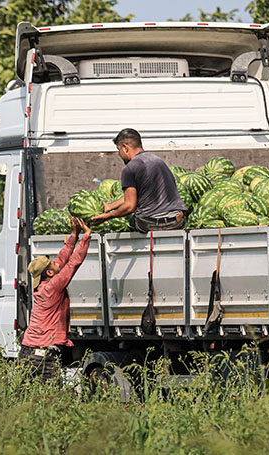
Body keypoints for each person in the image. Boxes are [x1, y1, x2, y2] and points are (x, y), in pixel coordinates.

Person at [20, 217, 91, 380]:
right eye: (51, 263)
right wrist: (86, 236)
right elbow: (73, 264)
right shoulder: (53, 287)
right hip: (42, 354)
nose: (55, 262)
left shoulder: (44, 284)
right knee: (51, 397)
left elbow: (63, 258)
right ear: (49, 273)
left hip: (28, 350)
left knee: (28, 397)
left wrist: (75, 234)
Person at [90, 128, 189, 233]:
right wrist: (110, 206)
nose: (119, 154)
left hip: (150, 223)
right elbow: (134, 195)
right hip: (177, 221)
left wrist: (108, 216)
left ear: (125, 147)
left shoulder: (130, 168)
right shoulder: (158, 161)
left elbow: (130, 206)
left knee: (132, 219)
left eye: (118, 149)